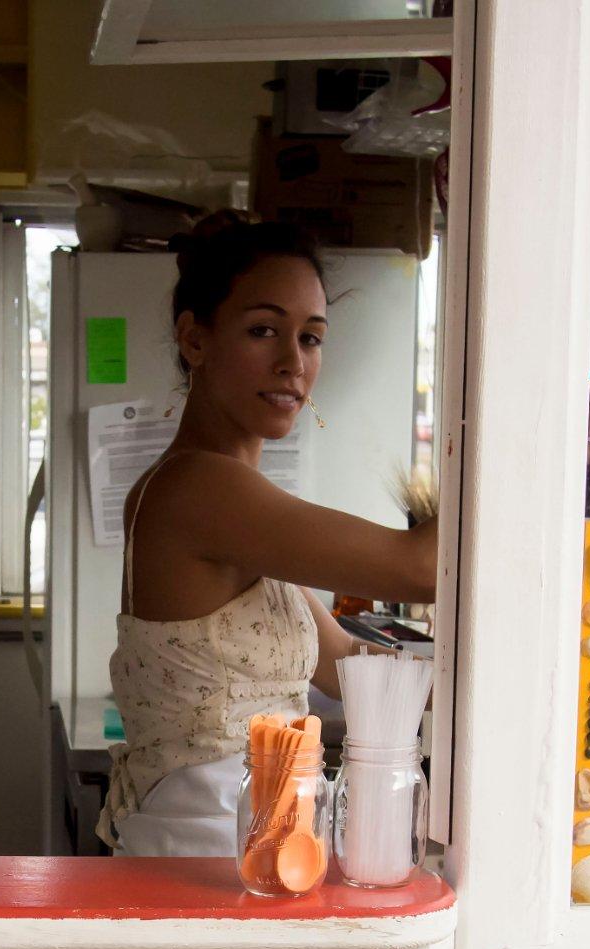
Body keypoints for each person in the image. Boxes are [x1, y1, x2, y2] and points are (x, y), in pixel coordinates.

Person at [98, 213, 439, 857]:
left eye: (311, 338)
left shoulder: (231, 502)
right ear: (194, 339)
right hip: (200, 861)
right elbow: (419, 568)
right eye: (263, 331)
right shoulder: (200, 487)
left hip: (254, 850)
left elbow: (349, 671)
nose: (292, 362)